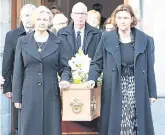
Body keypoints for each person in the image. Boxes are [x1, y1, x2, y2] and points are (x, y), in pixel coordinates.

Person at [87, 4, 157, 135]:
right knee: (117, 121)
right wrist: (92, 78)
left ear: (132, 19)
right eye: (119, 17)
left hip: (137, 86)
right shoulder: (107, 37)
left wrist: (152, 92)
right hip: (114, 85)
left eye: (125, 17)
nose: (122, 21)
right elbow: (97, 62)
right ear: (115, 19)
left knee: (135, 120)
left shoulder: (144, 39)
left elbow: (149, 66)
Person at [12, 6, 71, 135]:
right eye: (39, 19)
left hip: (51, 95)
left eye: (45, 19)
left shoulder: (58, 42)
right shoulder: (22, 42)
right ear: (34, 20)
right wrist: (17, 97)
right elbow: (18, 71)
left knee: (51, 129)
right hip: (28, 95)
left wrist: (65, 79)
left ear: (50, 21)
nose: (42, 22)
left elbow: (65, 67)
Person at [58, 2, 102, 132]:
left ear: (87, 15)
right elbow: (60, 58)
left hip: (90, 81)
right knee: (69, 121)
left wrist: (92, 77)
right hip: (67, 81)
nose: (80, 16)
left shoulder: (97, 34)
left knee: (89, 119)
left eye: (83, 13)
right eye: (77, 13)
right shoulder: (62, 33)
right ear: (71, 15)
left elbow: (99, 58)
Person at [2, 4, 36, 133]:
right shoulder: (12, 36)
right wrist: (7, 88)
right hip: (20, 85)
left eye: (31, 15)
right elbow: (7, 63)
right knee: (21, 122)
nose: (29, 19)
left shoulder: (45, 35)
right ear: (21, 17)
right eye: (26, 15)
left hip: (38, 84)